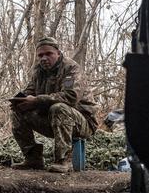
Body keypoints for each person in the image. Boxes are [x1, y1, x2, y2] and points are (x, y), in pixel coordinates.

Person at [10, 36, 98, 172]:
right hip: (53, 120)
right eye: (40, 55)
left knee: (59, 108)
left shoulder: (71, 68)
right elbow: (30, 91)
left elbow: (70, 97)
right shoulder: (38, 71)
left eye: (48, 54)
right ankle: (33, 159)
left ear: (58, 52)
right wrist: (20, 102)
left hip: (83, 122)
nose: (44, 58)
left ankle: (63, 161)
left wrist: (37, 101)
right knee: (18, 112)